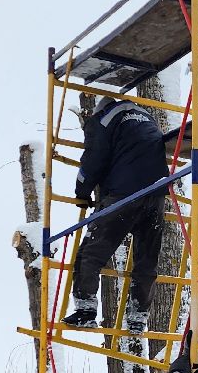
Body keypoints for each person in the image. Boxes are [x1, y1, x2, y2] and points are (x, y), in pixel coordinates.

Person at [63, 94, 181, 328]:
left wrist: (82, 191)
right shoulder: (147, 118)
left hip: (125, 194)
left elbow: (94, 158)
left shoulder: (104, 119)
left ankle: (85, 311)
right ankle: (138, 318)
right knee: (146, 261)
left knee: (90, 253)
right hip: (156, 196)